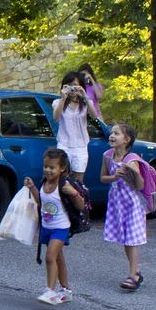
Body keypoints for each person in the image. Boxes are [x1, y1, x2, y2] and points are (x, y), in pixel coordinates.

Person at [24, 148, 83, 306]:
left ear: (62, 168)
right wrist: (32, 188)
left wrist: (74, 193)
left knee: (50, 257)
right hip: (47, 227)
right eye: (46, 167)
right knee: (58, 259)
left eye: (52, 167)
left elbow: (81, 205)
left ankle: (50, 291)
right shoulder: (44, 183)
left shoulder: (64, 185)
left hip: (61, 228)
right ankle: (66, 291)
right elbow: (40, 202)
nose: (47, 170)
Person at [100, 123, 147, 290]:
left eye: (117, 134)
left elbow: (140, 185)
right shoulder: (107, 155)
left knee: (131, 240)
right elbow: (103, 178)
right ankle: (136, 271)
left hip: (132, 203)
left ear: (127, 140)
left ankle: (133, 275)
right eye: (112, 133)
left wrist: (134, 171)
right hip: (116, 202)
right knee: (125, 239)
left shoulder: (132, 158)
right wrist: (114, 176)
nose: (112, 136)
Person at [52, 71, 100, 182]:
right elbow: (56, 117)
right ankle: (62, 199)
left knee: (78, 180)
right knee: (62, 178)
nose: (72, 88)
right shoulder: (58, 102)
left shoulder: (85, 103)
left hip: (81, 146)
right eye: (69, 85)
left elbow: (94, 115)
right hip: (64, 144)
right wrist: (63, 98)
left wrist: (85, 97)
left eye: (75, 85)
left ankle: (77, 198)